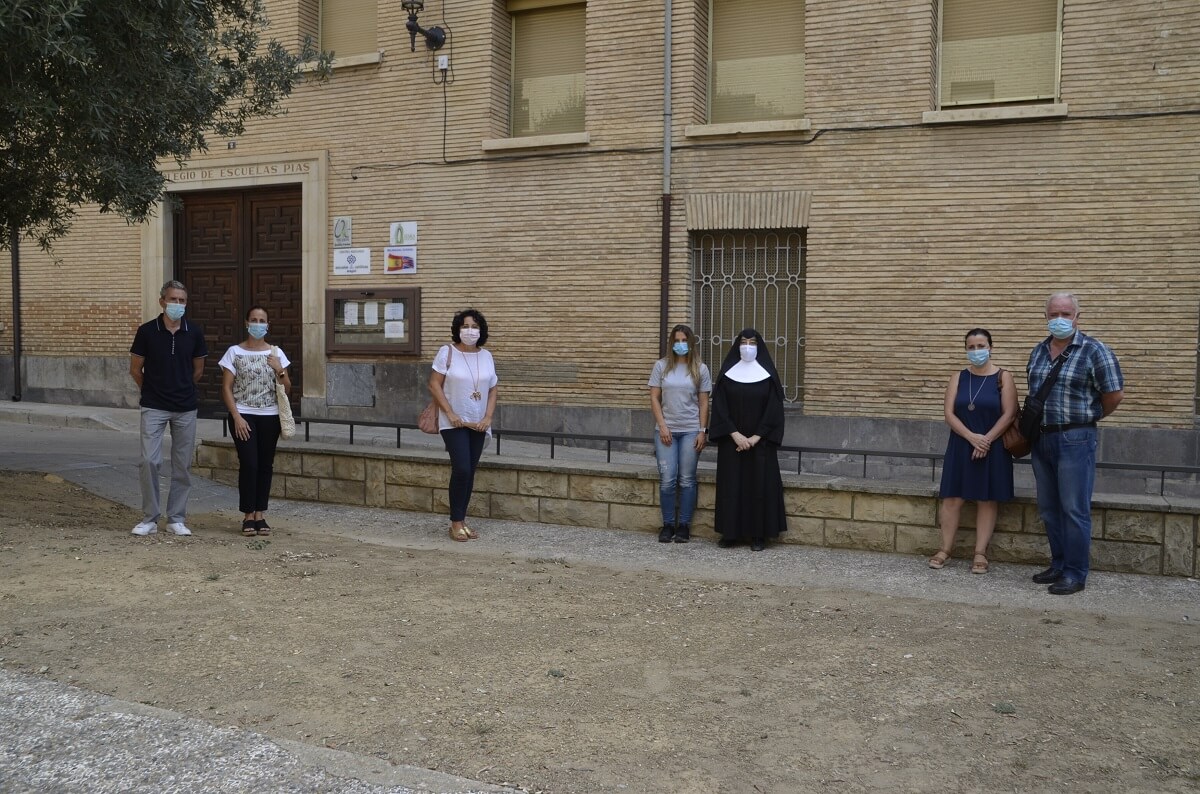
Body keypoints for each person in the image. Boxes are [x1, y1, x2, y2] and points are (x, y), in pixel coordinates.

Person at [1027, 292, 1124, 595]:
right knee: (1049, 508)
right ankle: (1058, 564)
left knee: (1073, 509)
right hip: (1042, 438)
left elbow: (1113, 395)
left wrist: (1089, 418)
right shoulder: (1038, 351)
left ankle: (1075, 572)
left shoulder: (1095, 350)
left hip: (1076, 438)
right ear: (1046, 316)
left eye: (1066, 314)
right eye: (1054, 314)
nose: (1060, 319)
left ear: (1077, 317)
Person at [929, 329, 1017, 574]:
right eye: (971, 347)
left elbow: (1009, 414)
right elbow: (949, 414)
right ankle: (945, 549)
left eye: (981, 346)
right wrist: (971, 437)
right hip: (961, 444)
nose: (976, 351)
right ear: (966, 349)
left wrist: (985, 440)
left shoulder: (1004, 377)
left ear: (990, 347)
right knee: (952, 498)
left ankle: (980, 553)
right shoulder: (958, 377)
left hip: (993, 445)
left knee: (986, 499)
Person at [128, 280, 209, 536]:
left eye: (182, 301)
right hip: (154, 406)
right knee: (149, 461)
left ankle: (176, 518)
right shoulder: (146, 331)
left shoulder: (194, 332)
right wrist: (152, 389)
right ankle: (150, 518)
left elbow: (198, 371)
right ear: (162, 301)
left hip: (185, 407)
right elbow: (135, 369)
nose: (177, 304)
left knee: (182, 465)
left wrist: (181, 387)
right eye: (173, 299)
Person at [708, 329, 787, 550]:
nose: (748, 346)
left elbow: (774, 410)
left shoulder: (768, 376)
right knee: (731, 488)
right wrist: (735, 435)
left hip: (760, 445)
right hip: (731, 444)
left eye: (752, 343)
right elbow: (720, 408)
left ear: (759, 347)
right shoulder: (727, 375)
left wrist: (755, 437)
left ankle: (758, 536)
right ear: (737, 345)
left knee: (759, 489)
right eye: (744, 342)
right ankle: (730, 534)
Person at [219, 306, 292, 536]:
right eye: (254, 320)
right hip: (243, 414)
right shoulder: (234, 352)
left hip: (270, 416)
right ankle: (247, 515)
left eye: (262, 320)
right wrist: (236, 417)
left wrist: (279, 370)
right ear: (246, 323)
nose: (258, 324)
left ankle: (260, 514)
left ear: (268, 325)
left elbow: (287, 388)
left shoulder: (276, 353)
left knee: (265, 465)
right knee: (249, 464)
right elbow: (226, 387)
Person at [429, 309, 498, 542]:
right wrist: (450, 412)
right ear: (458, 329)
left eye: (475, 326)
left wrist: (488, 417)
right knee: (462, 469)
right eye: (465, 326)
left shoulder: (486, 356)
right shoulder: (447, 352)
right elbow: (434, 384)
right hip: (454, 422)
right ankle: (455, 523)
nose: (470, 331)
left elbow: (493, 388)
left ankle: (462, 520)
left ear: (481, 331)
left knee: (470, 470)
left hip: (478, 423)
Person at [648, 324, 712, 543]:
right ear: (671, 343)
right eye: (676, 340)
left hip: (691, 431)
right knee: (667, 480)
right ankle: (667, 525)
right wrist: (663, 426)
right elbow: (654, 398)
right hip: (666, 431)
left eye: (684, 340)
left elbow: (704, 403)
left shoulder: (700, 369)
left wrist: (702, 431)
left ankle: (684, 526)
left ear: (691, 342)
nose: (680, 344)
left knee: (686, 480)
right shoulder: (661, 366)